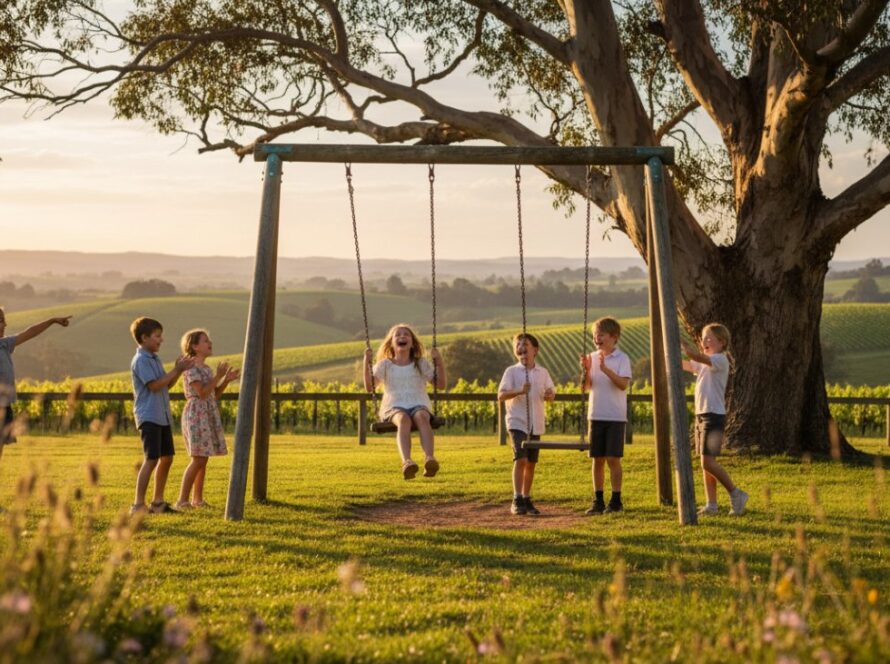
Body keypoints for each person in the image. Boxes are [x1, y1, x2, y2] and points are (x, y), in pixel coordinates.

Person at [681, 323, 749, 516]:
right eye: (703, 338)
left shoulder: (720, 360)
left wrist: (684, 346)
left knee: (707, 462)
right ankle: (712, 505)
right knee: (705, 463)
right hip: (702, 415)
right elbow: (687, 365)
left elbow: (695, 357)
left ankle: (736, 494)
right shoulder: (706, 362)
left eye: (710, 338)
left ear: (722, 342)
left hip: (714, 416)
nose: (705, 341)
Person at [363, 323, 446, 479]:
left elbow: (440, 385)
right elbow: (370, 387)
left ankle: (430, 459)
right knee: (403, 420)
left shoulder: (421, 364)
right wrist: (365, 362)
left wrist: (439, 360)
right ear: (391, 343)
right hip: (394, 406)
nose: (402, 336)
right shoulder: (385, 365)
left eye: (406, 334)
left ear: (412, 343)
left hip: (419, 403)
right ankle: (407, 462)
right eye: (398, 335)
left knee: (422, 417)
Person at [129, 316, 194, 516]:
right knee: (151, 459)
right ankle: (138, 505)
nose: (161, 340)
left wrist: (178, 371)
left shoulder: (154, 359)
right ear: (144, 337)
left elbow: (166, 384)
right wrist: (176, 369)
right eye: (157, 336)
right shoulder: (141, 360)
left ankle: (157, 502)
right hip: (149, 415)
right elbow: (155, 386)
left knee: (167, 458)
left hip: (161, 415)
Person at [175, 329, 239, 510]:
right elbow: (202, 393)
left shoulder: (206, 369)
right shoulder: (191, 368)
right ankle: (182, 500)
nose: (210, 343)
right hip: (197, 414)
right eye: (205, 340)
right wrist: (218, 377)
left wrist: (225, 380)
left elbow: (214, 394)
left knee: (203, 459)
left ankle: (197, 499)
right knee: (198, 459)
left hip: (207, 413)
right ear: (194, 346)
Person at [498, 333, 555, 516]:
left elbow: (551, 392)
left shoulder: (543, 372)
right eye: (518, 345)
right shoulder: (511, 372)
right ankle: (516, 498)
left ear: (535, 350)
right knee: (520, 459)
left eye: (526, 345)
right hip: (517, 421)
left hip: (536, 423)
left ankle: (526, 497)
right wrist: (518, 391)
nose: (521, 348)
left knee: (531, 463)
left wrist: (549, 395)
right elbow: (501, 395)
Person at [580, 317, 632, 515]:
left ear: (613, 337)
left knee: (613, 459)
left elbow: (623, 384)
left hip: (615, 417)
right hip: (596, 415)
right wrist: (585, 370)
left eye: (601, 334)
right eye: (595, 335)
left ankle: (616, 501)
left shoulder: (622, 359)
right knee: (597, 459)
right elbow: (586, 387)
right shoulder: (591, 358)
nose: (596, 338)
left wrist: (605, 370)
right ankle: (598, 501)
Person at [0, 309, 72, 449]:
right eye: (1, 321)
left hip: (4, 406)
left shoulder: (4, 345)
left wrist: (52, 320)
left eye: (4, 320)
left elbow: (30, 332)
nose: (5, 324)